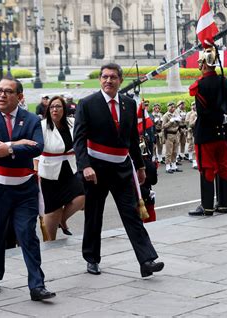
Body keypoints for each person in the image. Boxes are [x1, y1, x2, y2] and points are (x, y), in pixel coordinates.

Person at [73, 63, 163, 278]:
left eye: (113, 77)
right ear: (100, 80)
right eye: (104, 77)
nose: (108, 81)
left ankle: (146, 260)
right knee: (94, 216)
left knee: (132, 214)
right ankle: (92, 258)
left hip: (121, 169)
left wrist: (140, 166)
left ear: (120, 81)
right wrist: (84, 166)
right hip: (95, 169)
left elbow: (132, 138)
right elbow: (79, 139)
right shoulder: (87, 104)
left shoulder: (129, 104)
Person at [0, 77, 56, 301]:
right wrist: (20, 144)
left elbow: (38, 146)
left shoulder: (30, 119)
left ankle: (37, 285)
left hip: (23, 189)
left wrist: (8, 147)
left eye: (8, 92)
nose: (1, 95)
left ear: (19, 97)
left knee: (27, 235)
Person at [188, 47, 227, 217]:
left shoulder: (199, 85)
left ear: (204, 65)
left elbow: (201, 111)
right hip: (222, 131)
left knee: (207, 167)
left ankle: (206, 206)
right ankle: (223, 205)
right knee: (223, 166)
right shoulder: (226, 82)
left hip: (206, 132)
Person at [35, 96, 84, 240]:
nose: (55, 110)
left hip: (70, 167)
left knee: (81, 196)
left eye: (58, 106)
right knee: (53, 208)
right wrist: (35, 168)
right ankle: (51, 240)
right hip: (49, 171)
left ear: (64, 109)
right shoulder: (42, 126)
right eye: (52, 107)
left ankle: (62, 220)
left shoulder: (72, 123)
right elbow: (36, 149)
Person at [161, 102, 181, 173]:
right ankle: (167, 167)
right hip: (169, 134)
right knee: (169, 151)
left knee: (175, 151)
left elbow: (179, 123)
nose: (172, 108)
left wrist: (178, 120)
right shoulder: (166, 115)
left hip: (176, 134)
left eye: (173, 107)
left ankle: (174, 165)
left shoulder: (176, 114)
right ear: (168, 107)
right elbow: (163, 126)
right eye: (171, 107)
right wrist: (170, 121)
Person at [186, 102, 198, 169]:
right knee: (194, 148)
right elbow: (190, 124)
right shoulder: (192, 115)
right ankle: (194, 163)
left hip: (200, 132)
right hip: (194, 132)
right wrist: (196, 119)